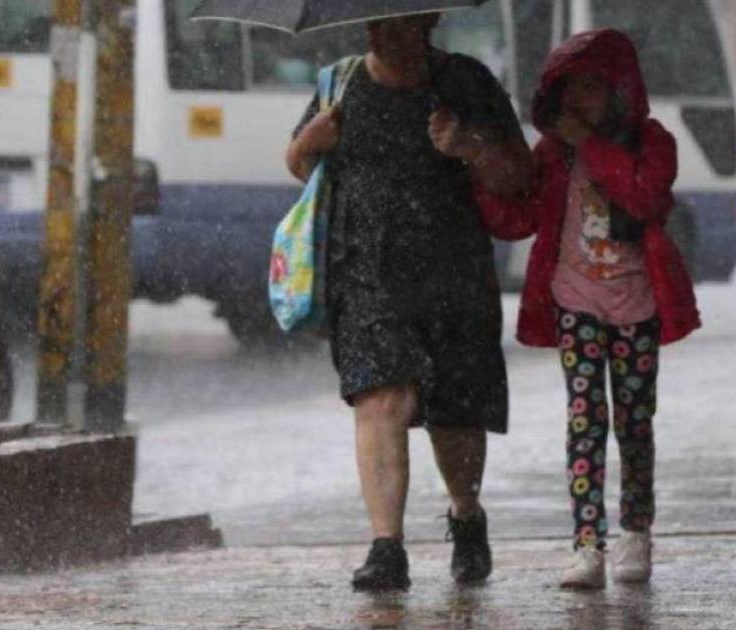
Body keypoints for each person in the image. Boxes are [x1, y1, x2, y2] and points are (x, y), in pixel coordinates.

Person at [285, 14, 533, 592]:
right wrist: (307, 144)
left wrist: (468, 145)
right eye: (373, 24)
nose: (380, 34)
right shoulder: (340, 83)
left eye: (395, 24)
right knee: (380, 398)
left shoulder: (466, 82)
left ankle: (466, 515)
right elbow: (301, 166)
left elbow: (519, 176)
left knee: (455, 414)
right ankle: (386, 547)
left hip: (454, 276)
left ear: (428, 20)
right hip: (365, 274)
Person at [473, 29, 700, 589]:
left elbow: (644, 198)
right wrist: (476, 170)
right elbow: (520, 216)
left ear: (619, 91)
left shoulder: (653, 143)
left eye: (592, 88)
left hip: (636, 305)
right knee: (584, 418)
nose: (580, 101)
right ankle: (586, 543)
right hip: (575, 302)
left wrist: (593, 146)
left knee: (634, 421)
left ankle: (636, 531)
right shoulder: (554, 153)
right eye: (571, 90)